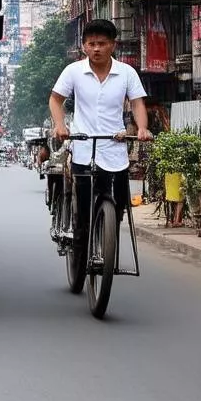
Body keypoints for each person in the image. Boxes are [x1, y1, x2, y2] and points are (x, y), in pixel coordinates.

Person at [49, 19, 152, 264]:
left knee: (116, 206)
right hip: (84, 145)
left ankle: (108, 237)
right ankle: (81, 250)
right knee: (84, 210)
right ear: (84, 46)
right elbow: (55, 100)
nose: (96, 49)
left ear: (112, 45)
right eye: (91, 43)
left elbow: (137, 103)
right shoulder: (73, 71)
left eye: (102, 44)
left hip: (114, 148)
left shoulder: (126, 72)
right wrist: (60, 125)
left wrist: (143, 128)